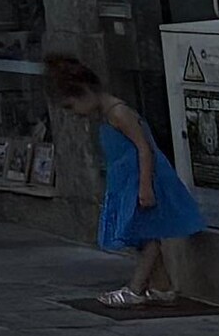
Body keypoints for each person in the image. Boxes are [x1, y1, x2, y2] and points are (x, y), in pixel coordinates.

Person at [47, 49, 206, 309]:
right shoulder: (107, 115)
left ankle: (136, 288)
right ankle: (162, 286)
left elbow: (144, 147)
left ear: (85, 91)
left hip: (142, 179)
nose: (74, 113)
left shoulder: (118, 113)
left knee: (148, 234)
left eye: (71, 105)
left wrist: (145, 186)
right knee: (142, 233)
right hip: (130, 181)